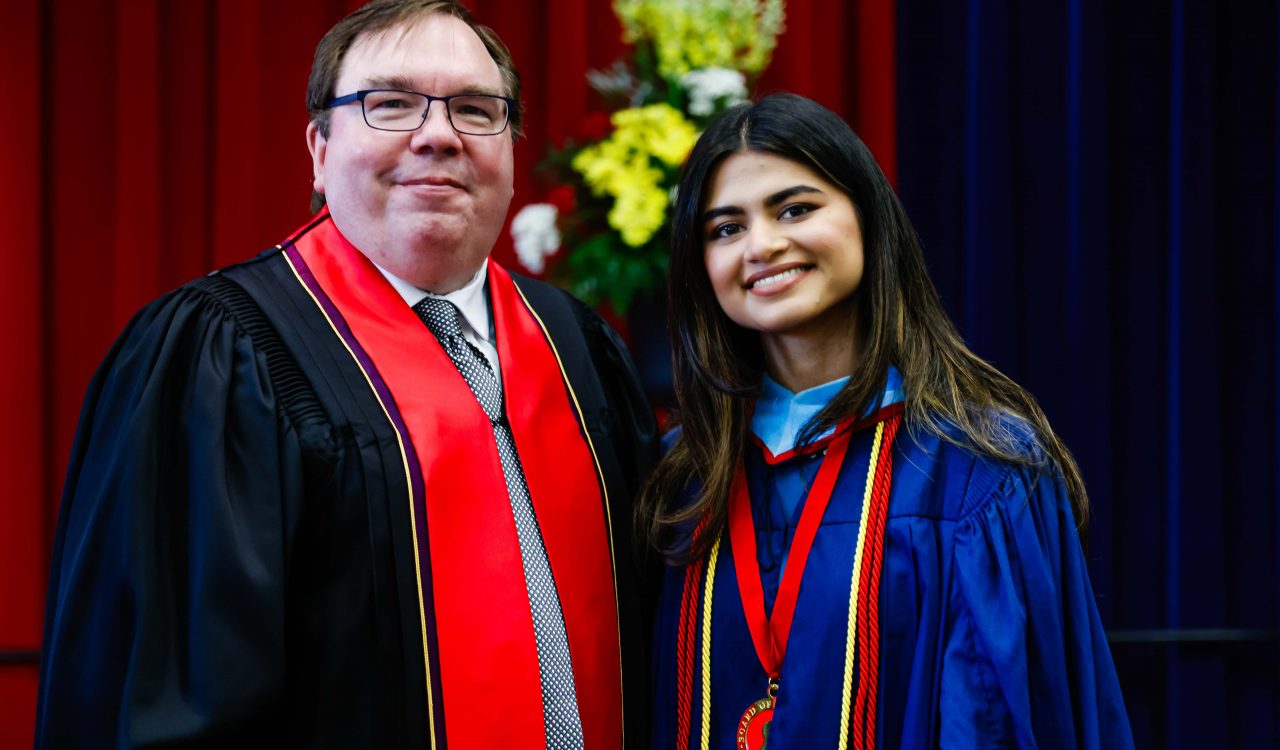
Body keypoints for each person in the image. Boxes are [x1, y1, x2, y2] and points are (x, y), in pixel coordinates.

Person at [35, 1, 657, 747]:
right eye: (390, 104)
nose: (438, 134)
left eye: (474, 108)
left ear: (513, 150)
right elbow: (168, 696)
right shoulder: (222, 356)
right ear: (319, 149)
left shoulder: (576, 346)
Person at [640, 93, 1133, 749]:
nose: (762, 244)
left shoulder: (979, 474)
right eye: (726, 228)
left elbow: (1004, 725)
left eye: (795, 208)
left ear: (868, 219)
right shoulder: (683, 481)